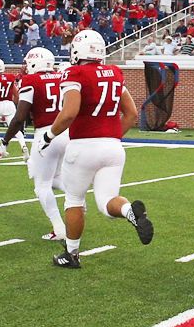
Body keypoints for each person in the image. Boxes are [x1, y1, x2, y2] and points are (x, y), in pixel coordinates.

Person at [42, 30, 152, 267]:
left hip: (83, 146)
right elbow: (132, 113)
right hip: (113, 148)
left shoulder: (75, 73)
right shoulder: (114, 73)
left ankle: (71, 254)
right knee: (107, 201)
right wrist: (110, 137)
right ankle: (128, 212)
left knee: (74, 200)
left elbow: (69, 113)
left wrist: (48, 135)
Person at [0, 46, 68, 241]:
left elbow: (20, 117)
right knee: (57, 176)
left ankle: (59, 227)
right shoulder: (61, 77)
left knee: (41, 185)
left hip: (46, 134)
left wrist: (5, 140)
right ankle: (75, 197)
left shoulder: (31, 80)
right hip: (66, 132)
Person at [0, 58, 21, 158]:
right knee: (13, 128)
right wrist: (15, 104)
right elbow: (16, 94)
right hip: (9, 104)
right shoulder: (10, 77)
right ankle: (21, 146)